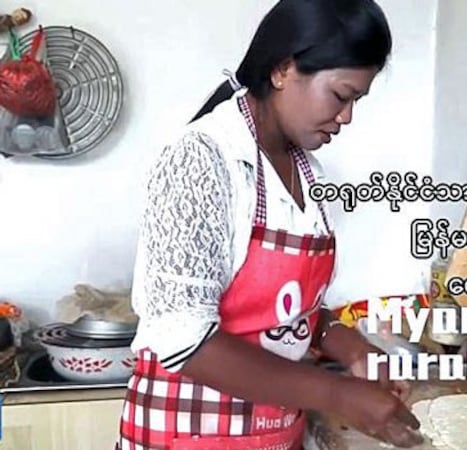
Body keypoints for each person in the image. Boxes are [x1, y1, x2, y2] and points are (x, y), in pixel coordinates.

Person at [116, 1, 424, 448]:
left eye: (356, 101)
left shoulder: (308, 174)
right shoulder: (203, 160)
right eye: (341, 95)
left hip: (275, 435)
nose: (347, 117)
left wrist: (352, 348)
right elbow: (182, 338)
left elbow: (285, 311)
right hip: (186, 435)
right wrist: (337, 393)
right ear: (283, 69)